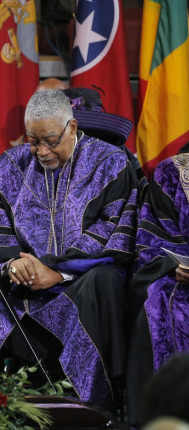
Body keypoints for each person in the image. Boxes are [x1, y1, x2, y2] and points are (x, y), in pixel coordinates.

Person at [0, 89, 138, 409]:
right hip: (19, 281)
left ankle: (93, 403)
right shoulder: (11, 164)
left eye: (50, 140)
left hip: (78, 279)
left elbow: (115, 230)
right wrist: (10, 264)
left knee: (105, 281)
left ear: (72, 127)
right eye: (32, 141)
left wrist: (58, 272)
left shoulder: (111, 162)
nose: (41, 151)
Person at [127, 153, 189, 424]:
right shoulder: (173, 172)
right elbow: (154, 237)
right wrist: (173, 265)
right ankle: (160, 420)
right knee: (158, 301)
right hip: (185, 281)